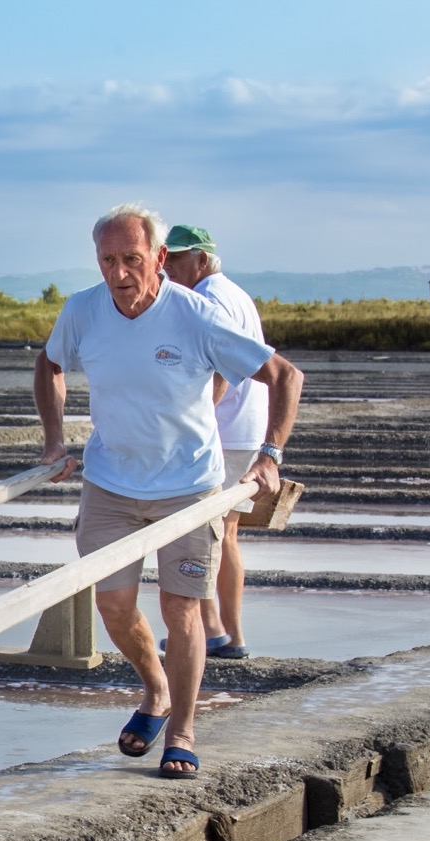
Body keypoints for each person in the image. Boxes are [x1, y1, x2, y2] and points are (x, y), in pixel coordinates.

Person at [34, 204, 303, 777]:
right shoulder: (83, 310)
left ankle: (181, 728)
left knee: (181, 610)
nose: (120, 273)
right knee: (112, 604)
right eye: (108, 261)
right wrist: (55, 441)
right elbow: (49, 364)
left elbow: (283, 375)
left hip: (188, 486)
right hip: (110, 481)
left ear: (159, 258)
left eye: (132, 259)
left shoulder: (196, 315)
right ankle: (155, 689)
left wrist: (269, 457)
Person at [164, 224, 264, 660]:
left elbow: (218, 370)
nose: (166, 267)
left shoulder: (208, 299)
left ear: (201, 260)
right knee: (224, 534)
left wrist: (193, 421)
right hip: (243, 428)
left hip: (221, 432)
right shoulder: (236, 293)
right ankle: (227, 632)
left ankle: (209, 630)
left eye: (176, 259)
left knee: (199, 532)